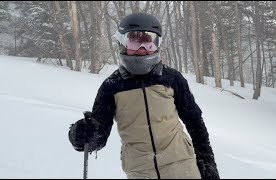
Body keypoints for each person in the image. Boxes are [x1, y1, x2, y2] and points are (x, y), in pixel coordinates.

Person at [68, 12, 220, 179]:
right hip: (140, 171)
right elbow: (100, 134)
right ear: (122, 44)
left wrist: (207, 162)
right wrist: (81, 135)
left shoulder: (172, 79)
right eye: (134, 42)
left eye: (148, 44)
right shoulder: (111, 87)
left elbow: (195, 122)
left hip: (182, 166)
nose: (142, 50)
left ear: (157, 44)